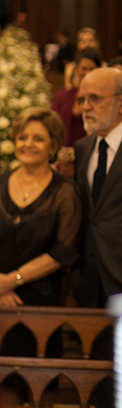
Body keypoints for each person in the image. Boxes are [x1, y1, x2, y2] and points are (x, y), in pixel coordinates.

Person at [0, 108, 82, 314]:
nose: (28, 144)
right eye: (22, 137)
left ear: (53, 146)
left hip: (40, 302)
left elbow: (63, 251)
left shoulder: (66, 192)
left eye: (38, 139)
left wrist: (11, 281)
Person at [73, 67, 122, 308]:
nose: (85, 107)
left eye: (95, 98)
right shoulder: (83, 148)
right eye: (82, 99)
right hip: (89, 280)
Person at [52, 47, 101, 148]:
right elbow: (52, 125)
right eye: (84, 68)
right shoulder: (62, 96)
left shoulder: (103, 99)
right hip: (62, 154)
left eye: (92, 69)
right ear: (76, 69)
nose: (87, 73)